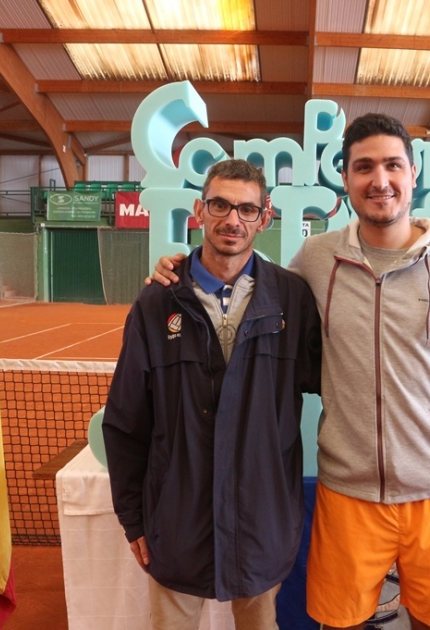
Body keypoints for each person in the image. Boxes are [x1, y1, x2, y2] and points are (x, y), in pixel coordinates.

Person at [153, 114, 430, 630]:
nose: (379, 180)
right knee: (340, 624)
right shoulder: (317, 260)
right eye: (363, 167)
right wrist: (181, 271)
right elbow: (249, 286)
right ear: (346, 179)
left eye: (392, 165)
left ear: (413, 174)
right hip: (347, 494)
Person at [103, 159, 322, 630]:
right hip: (177, 526)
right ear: (200, 210)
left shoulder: (293, 299)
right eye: (221, 204)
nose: (232, 220)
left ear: (264, 219)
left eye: (247, 209)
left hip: (262, 525)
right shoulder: (157, 301)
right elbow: (126, 420)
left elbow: (337, 382)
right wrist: (134, 520)